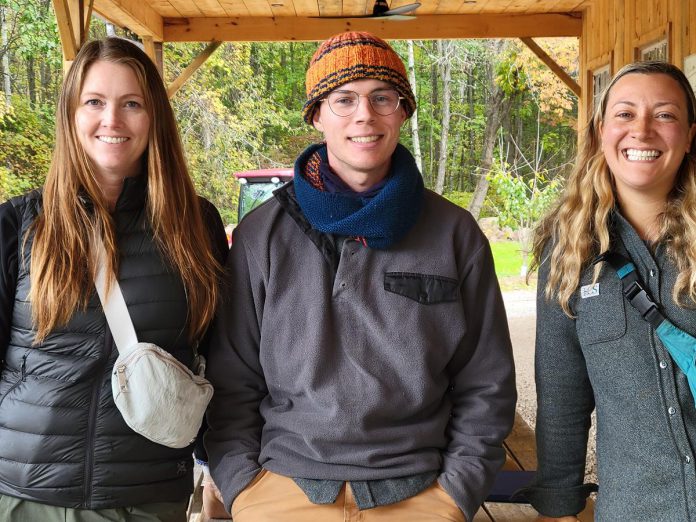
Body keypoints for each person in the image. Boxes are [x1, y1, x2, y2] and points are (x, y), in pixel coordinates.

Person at [205, 31, 516, 522]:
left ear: (404, 111)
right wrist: (243, 488)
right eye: (343, 99)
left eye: (382, 98)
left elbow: (487, 380)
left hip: (420, 492)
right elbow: (230, 376)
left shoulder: (454, 234)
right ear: (317, 115)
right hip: (282, 488)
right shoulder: (260, 236)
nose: (364, 116)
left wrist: (457, 492)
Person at [0, 37, 227, 521]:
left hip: (146, 497)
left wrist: (218, 469)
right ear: (70, 114)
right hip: (22, 495)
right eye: (95, 102)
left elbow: (217, 356)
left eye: (131, 104)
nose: (112, 121)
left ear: (154, 118)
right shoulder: (19, 224)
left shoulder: (195, 224)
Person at [525, 61, 696, 521]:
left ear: (689, 134)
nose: (641, 130)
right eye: (624, 114)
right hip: (635, 510)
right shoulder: (568, 254)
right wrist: (559, 507)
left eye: (664, 115)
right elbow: (562, 395)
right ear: (602, 130)